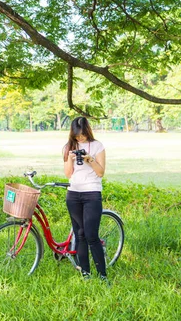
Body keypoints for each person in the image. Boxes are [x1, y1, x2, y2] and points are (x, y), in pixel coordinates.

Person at [63, 116, 108, 283]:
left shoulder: (98, 146)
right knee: (79, 234)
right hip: (73, 194)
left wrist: (90, 159)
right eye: (76, 135)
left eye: (82, 135)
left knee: (91, 235)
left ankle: (102, 275)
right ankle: (85, 274)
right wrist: (70, 158)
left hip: (92, 193)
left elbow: (101, 172)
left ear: (87, 131)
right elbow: (68, 174)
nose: (79, 138)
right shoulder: (69, 147)